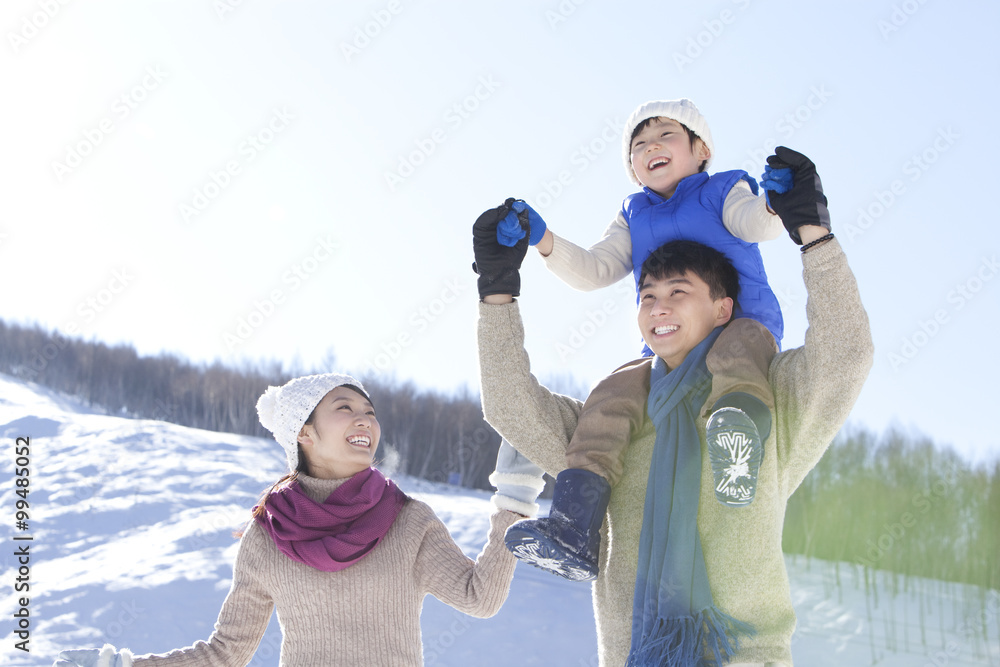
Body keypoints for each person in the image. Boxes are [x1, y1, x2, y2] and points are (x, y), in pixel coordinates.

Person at [473, 148, 872, 665]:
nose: (657, 306)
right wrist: (497, 293)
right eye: (646, 296)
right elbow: (510, 404)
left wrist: (814, 236)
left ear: (723, 307)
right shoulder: (612, 419)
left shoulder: (771, 397)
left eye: (678, 291)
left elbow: (846, 352)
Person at [489, 100, 815, 580]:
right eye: (638, 145)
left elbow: (755, 222)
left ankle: (737, 443)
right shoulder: (633, 214)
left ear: (700, 149)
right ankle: (575, 525)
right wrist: (544, 240)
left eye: (665, 136)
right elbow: (598, 269)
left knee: (735, 356)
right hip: (667, 346)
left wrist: (776, 202)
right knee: (613, 392)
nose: (650, 147)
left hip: (739, 322)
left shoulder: (723, 190)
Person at [53, 373, 544, 667]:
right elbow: (226, 653)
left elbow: (480, 598)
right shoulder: (267, 540)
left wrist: (513, 500)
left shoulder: (409, 521)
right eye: (344, 408)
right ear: (304, 433)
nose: (365, 421)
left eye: (370, 412)